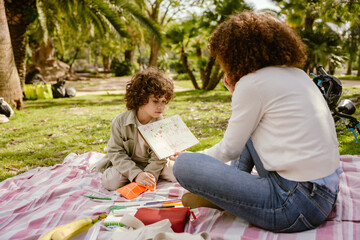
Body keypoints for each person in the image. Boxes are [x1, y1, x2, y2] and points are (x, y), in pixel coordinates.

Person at [173, 12, 341, 233]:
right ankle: (234, 197)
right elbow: (253, 122)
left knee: (184, 165)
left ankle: (230, 198)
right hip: (325, 194)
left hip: (295, 206)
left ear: (232, 53)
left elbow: (229, 149)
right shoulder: (298, 74)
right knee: (248, 133)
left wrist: (193, 157)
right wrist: (237, 91)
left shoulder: (252, 84)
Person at [95, 68, 177, 191]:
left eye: (164, 101)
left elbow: (160, 157)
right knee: (111, 182)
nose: (161, 106)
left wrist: (149, 175)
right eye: (155, 101)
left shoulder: (161, 124)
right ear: (141, 99)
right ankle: (131, 175)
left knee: (177, 173)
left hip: (154, 164)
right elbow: (115, 152)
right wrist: (136, 174)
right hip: (128, 163)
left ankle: (148, 177)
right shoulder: (120, 121)